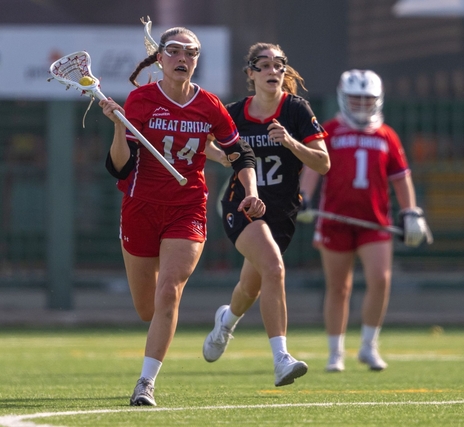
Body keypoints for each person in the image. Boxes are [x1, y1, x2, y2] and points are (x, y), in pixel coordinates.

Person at [99, 26, 265, 406]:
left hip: (187, 208)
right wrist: (118, 127)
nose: (183, 58)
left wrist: (251, 192)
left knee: (170, 289)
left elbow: (240, 153)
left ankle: (146, 383)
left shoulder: (209, 106)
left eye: (191, 53)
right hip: (140, 206)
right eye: (174, 51)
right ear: (160, 58)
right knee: (148, 308)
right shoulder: (141, 100)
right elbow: (120, 168)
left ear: (196, 61)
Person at [202, 43, 330, 386]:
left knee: (251, 286)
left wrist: (290, 142)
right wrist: (226, 157)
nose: (273, 71)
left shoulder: (296, 110)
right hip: (242, 204)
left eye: (279, 65)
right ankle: (281, 359)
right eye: (264, 65)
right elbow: (203, 142)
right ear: (251, 73)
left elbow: (323, 163)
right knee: (274, 267)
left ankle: (225, 322)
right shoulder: (234, 113)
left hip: (282, 212)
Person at [298, 69, 428, 372]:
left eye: (367, 99)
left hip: (375, 221)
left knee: (381, 280)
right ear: (344, 98)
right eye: (355, 98)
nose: (360, 104)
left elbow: (401, 178)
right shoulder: (329, 131)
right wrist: (303, 197)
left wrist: (410, 211)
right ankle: (335, 352)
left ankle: (369, 346)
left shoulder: (386, 135)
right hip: (335, 220)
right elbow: (313, 168)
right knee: (338, 287)